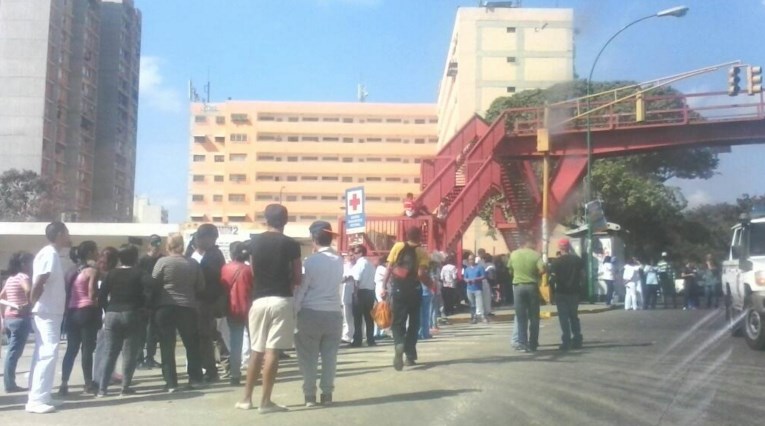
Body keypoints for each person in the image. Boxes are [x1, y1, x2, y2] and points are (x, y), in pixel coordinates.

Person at [236, 204, 301, 413]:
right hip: (281, 299)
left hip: (259, 300)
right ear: (286, 220)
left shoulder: (254, 243)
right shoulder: (291, 244)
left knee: (256, 349)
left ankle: (246, 399)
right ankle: (265, 401)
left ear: (265, 219)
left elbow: (254, 272)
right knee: (273, 350)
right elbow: (298, 276)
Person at [293, 220, 344, 407]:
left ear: (314, 239)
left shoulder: (311, 261)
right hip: (334, 313)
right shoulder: (339, 260)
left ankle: (309, 396)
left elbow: (302, 290)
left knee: (308, 357)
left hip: (310, 313)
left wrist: (294, 313)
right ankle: (327, 394)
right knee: (330, 356)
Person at [26, 221, 71, 414]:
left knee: (45, 353)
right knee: (47, 353)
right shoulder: (49, 254)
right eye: (67, 232)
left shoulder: (52, 254)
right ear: (60, 233)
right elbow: (40, 281)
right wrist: (32, 303)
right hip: (46, 312)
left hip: (50, 311)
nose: (69, 236)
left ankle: (43, 396)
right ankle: (36, 401)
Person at [151, 233, 205, 392]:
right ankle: (195, 378)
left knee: (167, 346)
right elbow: (201, 285)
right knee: (191, 344)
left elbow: (154, 282)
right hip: (187, 307)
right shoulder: (193, 263)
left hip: (165, 307)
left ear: (168, 245)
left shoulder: (162, 262)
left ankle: (171, 382)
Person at [97, 245, 149, 396]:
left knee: (109, 352)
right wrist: (145, 304)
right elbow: (152, 285)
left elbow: (101, 296)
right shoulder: (139, 273)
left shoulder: (111, 274)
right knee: (129, 353)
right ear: (135, 258)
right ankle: (125, 387)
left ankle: (102, 388)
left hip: (112, 313)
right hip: (131, 313)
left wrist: (108, 310)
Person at [382, 226, 432, 370]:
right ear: (420, 236)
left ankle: (399, 343)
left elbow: (389, 267)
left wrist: (384, 286)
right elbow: (422, 274)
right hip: (414, 289)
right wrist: (432, 285)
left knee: (398, 322)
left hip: (398, 288)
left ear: (406, 235)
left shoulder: (398, 246)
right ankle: (410, 355)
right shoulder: (422, 251)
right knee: (415, 322)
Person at [59, 241, 101, 396]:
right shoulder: (91, 271)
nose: (98, 253)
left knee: (71, 349)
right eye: (96, 250)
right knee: (87, 350)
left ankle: (64, 383)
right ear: (90, 252)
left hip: (72, 313)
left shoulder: (70, 271)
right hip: (88, 311)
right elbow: (91, 294)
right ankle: (88, 384)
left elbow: (66, 293)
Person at [189, 223, 227, 382]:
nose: (197, 240)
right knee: (206, 336)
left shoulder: (214, 255)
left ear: (210, 238)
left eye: (200, 237)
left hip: (206, 302)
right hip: (199, 301)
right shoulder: (196, 252)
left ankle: (211, 371)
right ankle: (210, 369)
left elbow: (210, 278)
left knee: (204, 337)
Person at [220, 242, 253, 386]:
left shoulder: (225, 268)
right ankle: (254, 371)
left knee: (235, 343)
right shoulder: (249, 270)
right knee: (255, 342)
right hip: (250, 308)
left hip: (232, 309)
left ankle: (235, 374)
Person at [1, 251, 34, 392]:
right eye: (31, 263)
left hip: (9, 317)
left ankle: (9, 383)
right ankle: (10, 384)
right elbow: (28, 290)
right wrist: (29, 304)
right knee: (14, 353)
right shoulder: (23, 276)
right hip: (20, 318)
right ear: (24, 264)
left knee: (11, 352)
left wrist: (4, 314)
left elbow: (1, 296)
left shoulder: (10, 279)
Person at [507, 234, 544, 352]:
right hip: (532, 286)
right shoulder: (536, 255)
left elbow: (509, 269)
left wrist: (517, 275)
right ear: (528, 243)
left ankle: (522, 343)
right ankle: (533, 343)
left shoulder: (513, 254)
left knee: (521, 316)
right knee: (534, 316)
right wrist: (535, 275)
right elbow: (542, 270)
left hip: (518, 287)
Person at [549, 239, 584, 350]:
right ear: (569, 247)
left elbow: (552, 279)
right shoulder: (577, 260)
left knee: (563, 318)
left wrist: (552, 291)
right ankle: (577, 339)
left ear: (560, 248)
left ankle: (566, 341)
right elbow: (583, 275)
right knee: (574, 316)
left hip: (561, 292)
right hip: (574, 292)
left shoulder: (556, 262)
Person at [136, 234, 163, 370]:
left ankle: (150, 357)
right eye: (154, 244)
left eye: (158, 244)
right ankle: (139, 358)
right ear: (149, 245)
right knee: (141, 332)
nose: (156, 247)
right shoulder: (142, 260)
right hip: (143, 299)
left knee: (153, 332)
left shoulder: (162, 259)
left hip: (157, 299)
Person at [350, 245, 376, 347]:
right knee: (369, 318)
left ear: (360, 253)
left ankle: (357, 340)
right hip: (370, 292)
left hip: (360, 292)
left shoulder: (359, 264)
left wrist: (355, 293)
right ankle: (370, 339)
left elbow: (356, 279)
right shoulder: (370, 264)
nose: (354, 255)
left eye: (355, 253)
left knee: (357, 318)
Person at [464, 254, 488, 324]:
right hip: (469, 288)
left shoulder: (480, 267)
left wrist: (476, 279)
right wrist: (467, 280)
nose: (471, 261)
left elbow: (484, 276)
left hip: (478, 288)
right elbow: (465, 277)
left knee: (480, 304)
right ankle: (473, 317)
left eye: (472, 259)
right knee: (472, 304)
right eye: (469, 259)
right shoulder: (467, 269)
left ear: (474, 259)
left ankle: (482, 317)